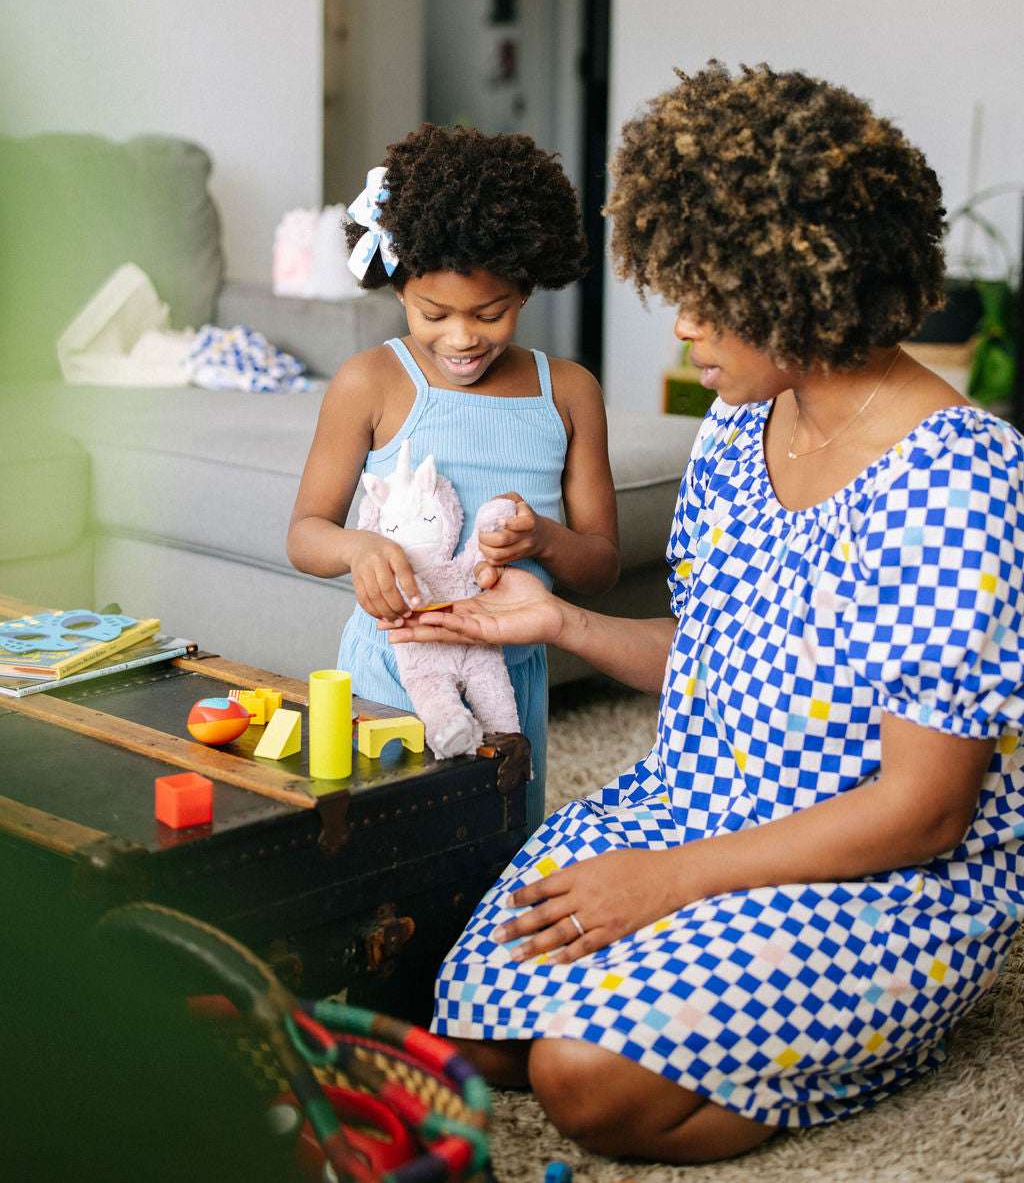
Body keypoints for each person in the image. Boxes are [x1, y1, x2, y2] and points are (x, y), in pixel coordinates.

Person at [386, 64, 1024, 1164]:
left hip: (875, 868)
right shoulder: (738, 428)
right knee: (476, 1033)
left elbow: (924, 811)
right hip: (700, 804)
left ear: (802, 291)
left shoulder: (962, 481)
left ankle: (893, 1042)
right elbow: (726, 656)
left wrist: (665, 882)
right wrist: (562, 625)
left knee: (586, 1084)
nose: (681, 325)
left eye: (708, 298)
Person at [287, 123, 620, 829]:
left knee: (497, 838)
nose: (462, 338)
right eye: (432, 313)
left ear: (525, 288)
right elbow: (305, 534)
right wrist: (357, 547)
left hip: (510, 668)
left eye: (489, 312)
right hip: (392, 663)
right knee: (385, 837)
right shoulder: (371, 380)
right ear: (398, 285)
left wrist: (543, 539)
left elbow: (600, 566)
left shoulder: (568, 391)